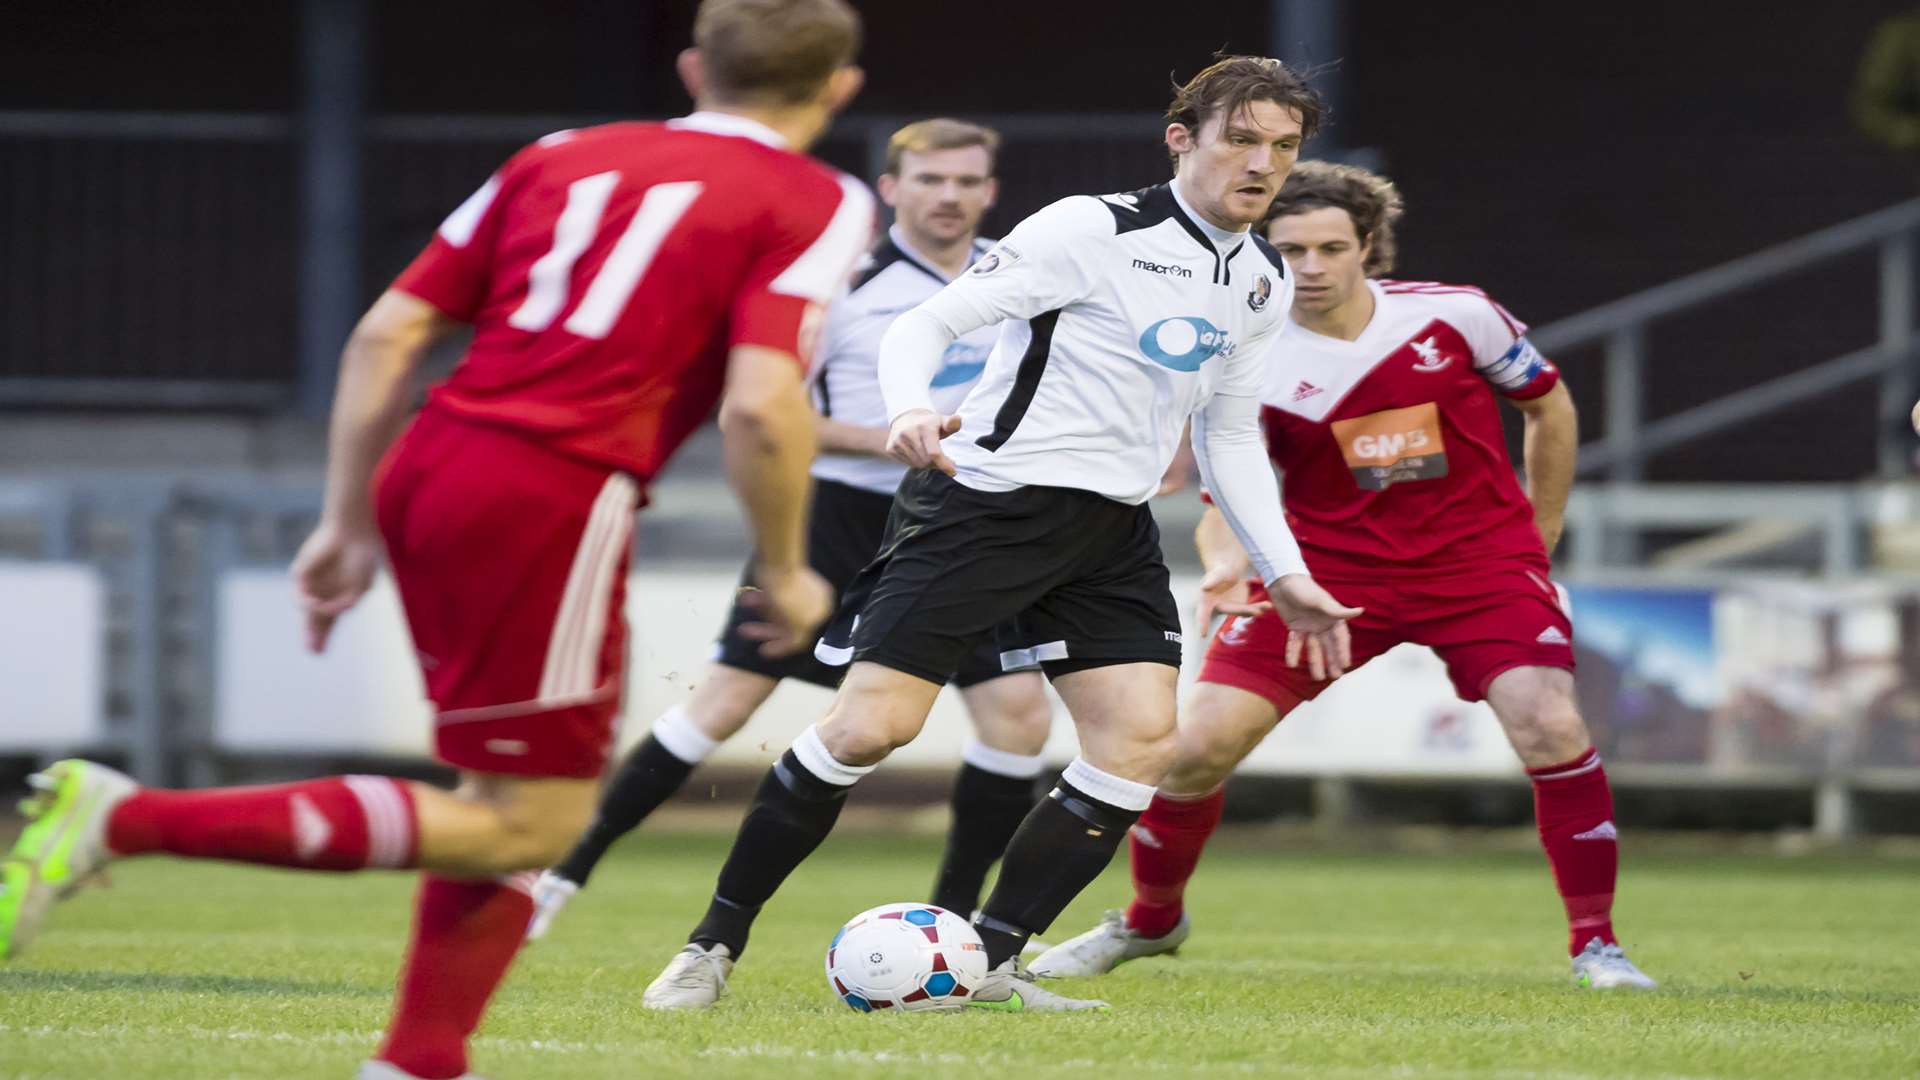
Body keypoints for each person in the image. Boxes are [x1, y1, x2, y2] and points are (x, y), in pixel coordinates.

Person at [0, 1, 874, 1075]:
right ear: (840, 88)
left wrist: (346, 515)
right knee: (534, 826)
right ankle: (124, 818)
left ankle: (418, 1058)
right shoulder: (820, 197)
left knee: (502, 801)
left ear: (696, 68)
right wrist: (787, 568)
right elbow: (760, 405)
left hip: (435, 457)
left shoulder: (563, 155)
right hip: (553, 487)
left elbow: (389, 329)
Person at [638, 55, 1361, 1014]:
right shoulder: (1088, 228)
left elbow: (1226, 433)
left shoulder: (1262, 276)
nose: (1263, 163)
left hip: (1112, 530)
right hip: (988, 506)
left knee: (1140, 745)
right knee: (869, 729)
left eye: (1283, 146)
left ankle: (991, 960)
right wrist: (908, 410)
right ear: (1181, 138)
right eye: (1242, 138)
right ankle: (709, 946)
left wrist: (1286, 571)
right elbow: (924, 327)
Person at [1032, 161, 1658, 991]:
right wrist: (1225, 567)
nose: (1313, 267)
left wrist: (1539, 536)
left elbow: (1550, 406)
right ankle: (1152, 921)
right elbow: (1225, 492)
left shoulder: (1457, 316)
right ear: (1264, 251)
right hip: (1323, 583)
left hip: (1480, 569)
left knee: (1548, 722)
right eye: (1290, 251)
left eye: (1333, 247)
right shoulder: (1245, 355)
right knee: (1192, 751)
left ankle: (1597, 947)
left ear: (1369, 247)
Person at [525, 119, 1056, 940]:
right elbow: (776, 408)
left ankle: (951, 923)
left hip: (963, 520)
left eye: (965, 182)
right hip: (838, 517)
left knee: (1019, 713)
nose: (947, 196)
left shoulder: (1017, 276)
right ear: (891, 188)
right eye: (929, 180)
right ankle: (561, 874)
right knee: (723, 704)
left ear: (990, 191)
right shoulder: (845, 284)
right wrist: (891, 434)